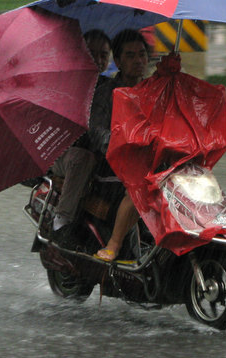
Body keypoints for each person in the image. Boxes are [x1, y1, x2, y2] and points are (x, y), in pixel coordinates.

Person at [88, 29, 150, 261]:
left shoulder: (153, 91)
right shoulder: (106, 94)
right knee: (138, 189)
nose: (138, 61)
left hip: (150, 160)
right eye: (131, 55)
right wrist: (121, 145)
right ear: (118, 61)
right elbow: (97, 131)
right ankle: (115, 244)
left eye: (142, 55)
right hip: (114, 165)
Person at [49, 30, 111, 247]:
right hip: (63, 154)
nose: (98, 59)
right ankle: (61, 222)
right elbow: (93, 128)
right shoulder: (65, 84)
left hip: (101, 154)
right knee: (80, 157)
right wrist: (110, 143)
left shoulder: (109, 86)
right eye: (92, 53)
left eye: (104, 54)